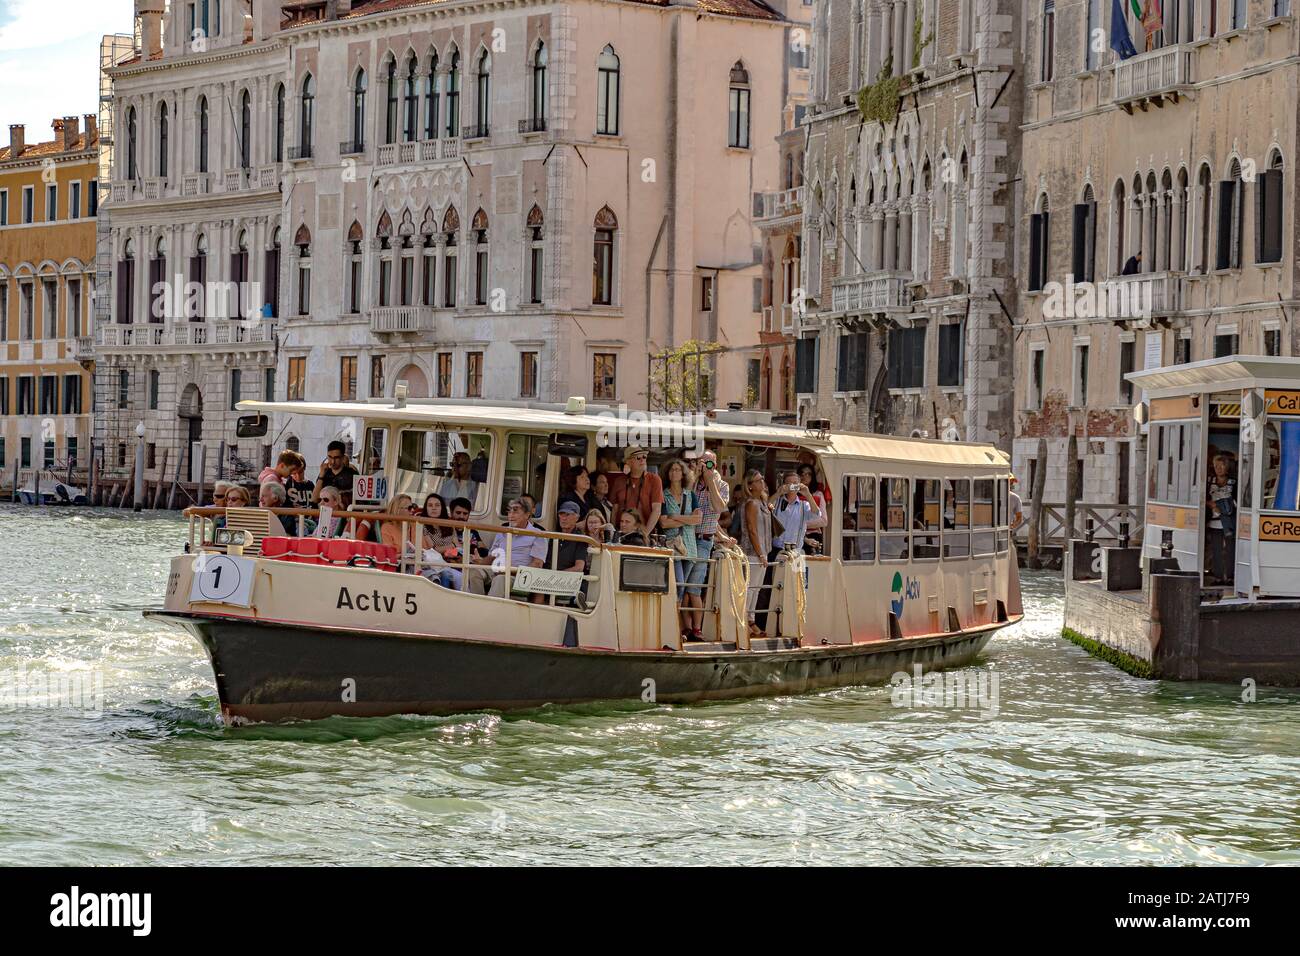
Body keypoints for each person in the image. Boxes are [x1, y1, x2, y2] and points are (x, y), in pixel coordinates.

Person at [661, 459, 707, 641]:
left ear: (683, 473)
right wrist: (686, 519)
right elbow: (664, 522)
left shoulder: (690, 494)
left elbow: (698, 520)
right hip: (673, 545)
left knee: (682, 589)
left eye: (678, 470)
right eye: (671, 469)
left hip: (689, 546)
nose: (674, 473)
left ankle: (678, 629)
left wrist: (676, 517)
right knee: (678, 585)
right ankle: (674, 628)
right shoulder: (664, 494)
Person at [481, 498, 549, 598]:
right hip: (497, 571)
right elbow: (492, 557)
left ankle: (488, 609)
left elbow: (537, 565)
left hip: (519, 577)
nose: (511, 515)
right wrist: (479, 563)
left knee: (500, 579)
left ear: (527, 515)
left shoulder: (537, 535)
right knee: (474, 572)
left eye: (515, 511)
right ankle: (476, 605)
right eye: (509, 511)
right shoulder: (502, 532)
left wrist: (509, 571)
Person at [739, 470, 774, 638]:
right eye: (758, 480)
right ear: (751, 486)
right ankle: (745, 621)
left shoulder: (762, 502)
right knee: (751, 588)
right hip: (753, 553)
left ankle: (751, 619)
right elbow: (752, 530)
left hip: (762, 552)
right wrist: (760, 554)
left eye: (762, 479)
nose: (762, 482)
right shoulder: (752, 503)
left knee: (757, 589)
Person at [612, 446, 664, 536]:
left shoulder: (654, 479)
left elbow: (657, 510)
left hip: (643, 534)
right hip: (621, 533)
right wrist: (613, 534)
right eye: (638, 457)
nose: (642, 460)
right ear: (628, 461)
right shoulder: (619, 481)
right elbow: (614, 510)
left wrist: (645, 534)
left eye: (644, 457)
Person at [772, 470, 827, 554]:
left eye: (795, 483)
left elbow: (816, 515)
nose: (792, 486)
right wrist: (778, 493)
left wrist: (808, 495)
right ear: (784, 485)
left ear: (799, 485)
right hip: (776, 549)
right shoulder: (777, 502)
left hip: (795, 551)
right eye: (789, 483)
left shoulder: (804, 505)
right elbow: (765, 508)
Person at [693, 450, 730, 559]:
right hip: (687, 536)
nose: (706, 466)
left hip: (704, 539)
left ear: (715, 465)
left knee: (697, 575)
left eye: (710, 463)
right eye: (703, 463)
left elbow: (718, 508)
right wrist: (695, 475)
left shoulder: (722, 485)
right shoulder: (691, 482)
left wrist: (711, 481)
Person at [1206, 455, 1238, 585]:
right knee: (1216, 550)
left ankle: (1230, 577)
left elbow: (1237, 502)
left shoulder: (1234, 483)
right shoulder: (1209, 481)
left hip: (1229, 523)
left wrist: (1222, 506)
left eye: (1221, 466)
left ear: (1227, 467)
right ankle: (1218, 577)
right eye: (1216, 466)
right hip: (1214, 522)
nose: (1218, 469)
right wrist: (1211, 504)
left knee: (1230, 550)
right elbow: (1202, 497)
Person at [313, 441, 359, 506]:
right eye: (330, 457)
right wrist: (321, 475)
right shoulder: (325, 473)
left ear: (343, 457)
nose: (332, 461)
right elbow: (315, 499)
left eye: (336, 458)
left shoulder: (352, 474)